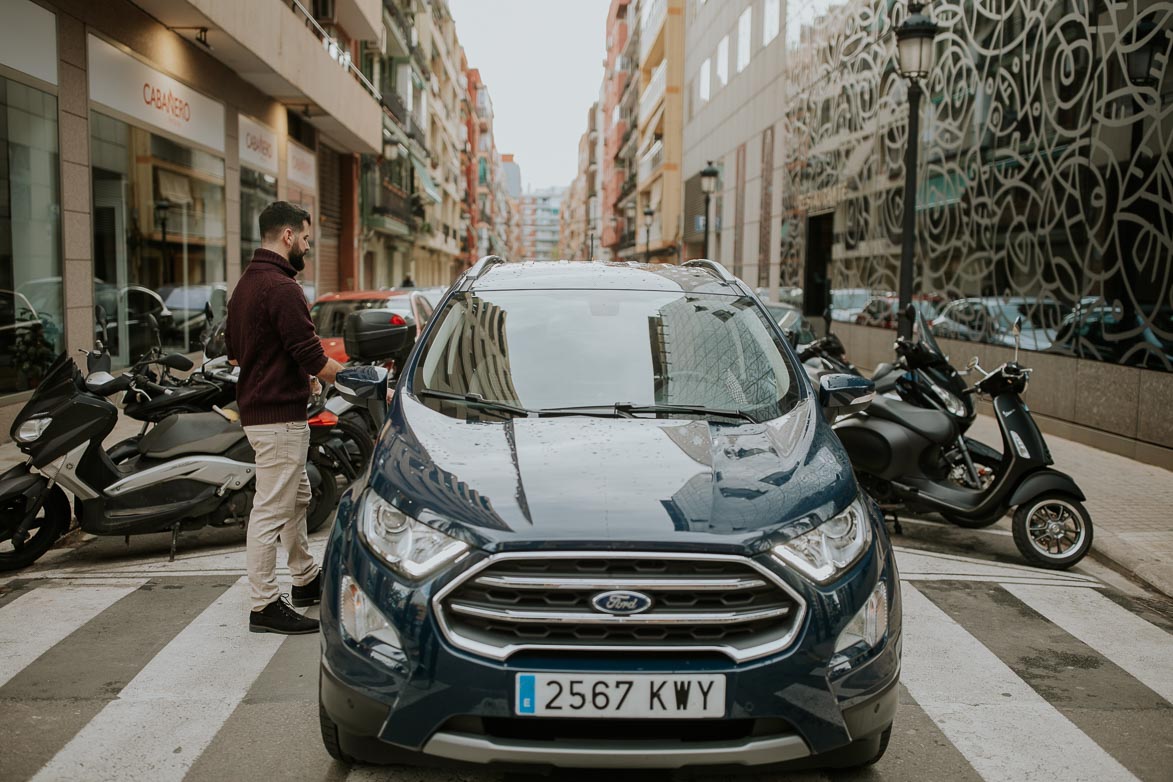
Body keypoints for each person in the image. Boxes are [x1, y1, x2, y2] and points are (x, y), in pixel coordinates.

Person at [226, 201, 344, 634]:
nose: (308, 249)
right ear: (288, 236)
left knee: (297, 499)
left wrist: (298, 376)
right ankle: (263, 605)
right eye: (307, 240)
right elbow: (312, 355)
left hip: (266, 410)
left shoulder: (246, 285)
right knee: (271, 509)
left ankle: (306, 578)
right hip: (277, 419)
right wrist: (353, 378)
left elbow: (241, 350)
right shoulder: (280, 287)